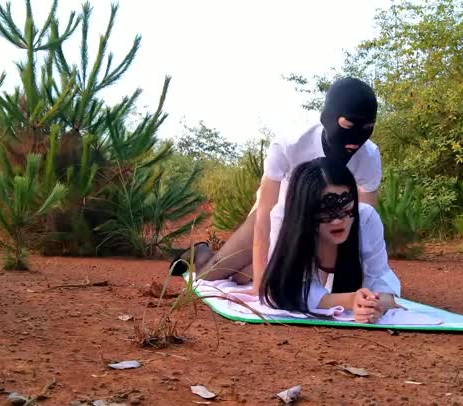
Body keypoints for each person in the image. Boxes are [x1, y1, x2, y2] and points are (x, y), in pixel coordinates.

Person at [170, 77, 383, 289]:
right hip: (278, 214)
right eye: (347, 125)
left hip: (321, 225)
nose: (356, 138)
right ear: (328, 118)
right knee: (211, 275)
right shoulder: (290, 143)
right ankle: (202, 253)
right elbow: (264, 215)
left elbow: (365, 222)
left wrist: (352, 285)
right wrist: (260, 284)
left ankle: (249, 269)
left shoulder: (369, 157)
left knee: (245, 277)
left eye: (368, 127)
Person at [259, 157, 401, 323]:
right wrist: (350, 300)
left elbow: (382, 280)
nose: (337, 220)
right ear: (305, 210)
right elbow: (283, 289)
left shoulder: (366, 220)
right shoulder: (284, 218)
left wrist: (374, 305)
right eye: (325, 209)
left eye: (345, 205)